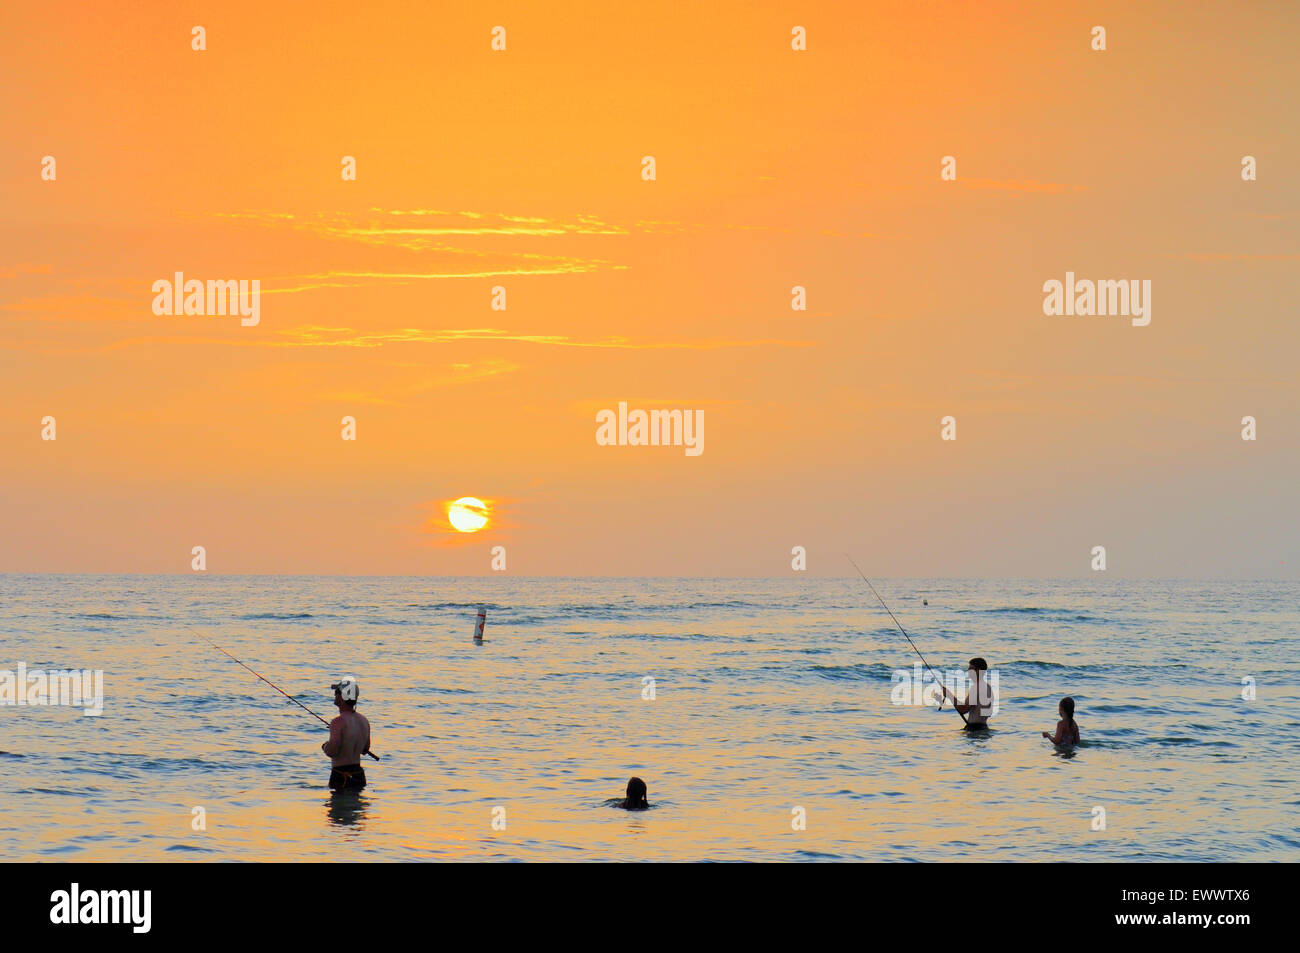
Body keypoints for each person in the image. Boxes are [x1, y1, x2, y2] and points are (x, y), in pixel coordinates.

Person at [323, 676, 372, 790]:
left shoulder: (337, 722)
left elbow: (332, 751)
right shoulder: (364, 721)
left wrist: (324, 746)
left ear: (342, 697)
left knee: (340, 807)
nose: (334, 695)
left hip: (341, 776)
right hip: (359, 776)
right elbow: (365, 749)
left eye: (336, 692)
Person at [937, 657, 994, 730]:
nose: (968, 671)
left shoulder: (977, 687)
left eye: (970, 669)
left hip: (974, 729)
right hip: (984, 728)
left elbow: (963, 709)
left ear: (978, 670)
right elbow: (989, 713)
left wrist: (949, 695)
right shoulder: (988, 687)